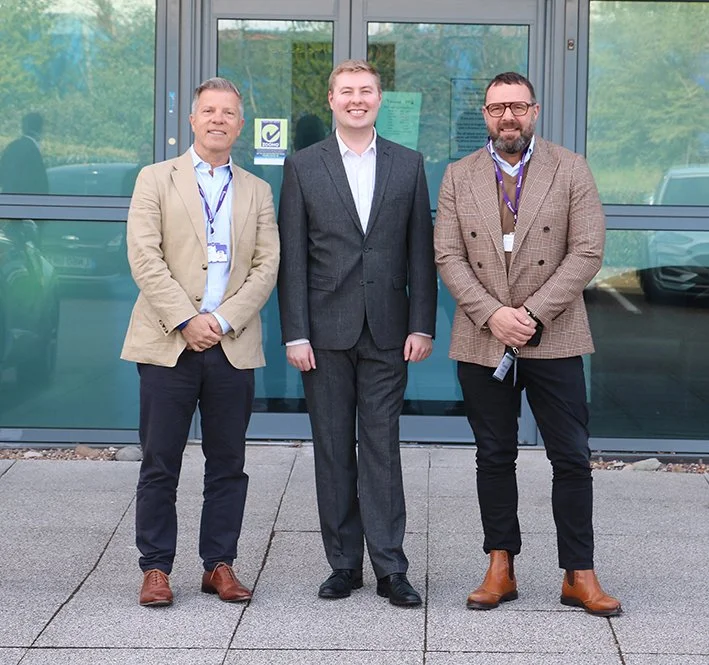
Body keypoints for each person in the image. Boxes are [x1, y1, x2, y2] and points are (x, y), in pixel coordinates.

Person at [434, 71, 622, 617]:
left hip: (555, 333)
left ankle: (579, 572)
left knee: (571, 457)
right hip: (483, 335)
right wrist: (494, 315)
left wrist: (532, 314)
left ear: (534, 112)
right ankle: (501, 564)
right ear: (485, 116)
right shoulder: (458, 175)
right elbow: (447, 255)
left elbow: (587, 251)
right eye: (497, 108)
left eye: (517, 107)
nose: (508, 117)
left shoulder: (571, 168)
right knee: (494, 455)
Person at [277, 60, 437, 607]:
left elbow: (420, 251)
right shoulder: (303, 166)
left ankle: (391, 567)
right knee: (331, 448)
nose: (356, 99)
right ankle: (343, 564)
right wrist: (295, 333)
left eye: (366, 91)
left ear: (379, 99)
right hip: (324, 333)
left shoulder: (408, 163)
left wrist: (422, 324)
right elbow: (293, 257)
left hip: (390, 330)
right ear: (331, 100)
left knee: (382, 448)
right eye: (346, 91)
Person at [121, 77, 280, 607]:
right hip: (169, 342)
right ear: (192, 120)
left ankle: (219, 565)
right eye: (208, 110)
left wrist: (224, 320)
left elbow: (266, 265)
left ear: (240, 125)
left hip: (231, 345)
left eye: (228, 112)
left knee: (228, 463)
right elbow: (144, 256)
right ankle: (155, 568)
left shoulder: (257, 190)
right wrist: (187, 319)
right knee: (159, 462)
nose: (218, 119)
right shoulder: (155, 178)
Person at [0, 112, 49, 194]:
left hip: (8, 198)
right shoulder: (33, 150)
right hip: (28, 199)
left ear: (23, 128)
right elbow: (39, 183)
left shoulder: (12, 146)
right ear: (41, 129)